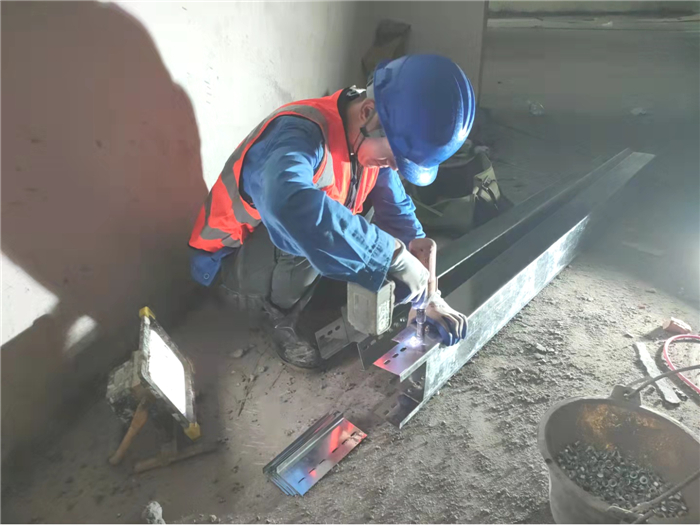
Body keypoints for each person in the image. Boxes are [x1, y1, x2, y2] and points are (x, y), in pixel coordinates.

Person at [189, 54, 474, 369]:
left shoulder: (372, 135)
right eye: (395, 158)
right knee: (315, 228)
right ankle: (281, 321)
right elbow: (290, 207)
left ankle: (306, 291)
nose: (394, 168)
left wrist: (428, 292)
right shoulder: (296, 135)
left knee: (364, 223)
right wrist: (390, 255)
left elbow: (397, 212)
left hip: (277, 249)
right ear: (368, 113)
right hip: (230, 265)